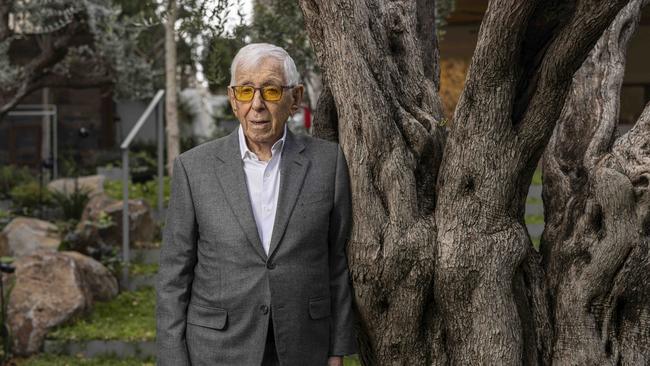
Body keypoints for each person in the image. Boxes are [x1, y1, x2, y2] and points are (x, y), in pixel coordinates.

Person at [156, 43, 357, 366]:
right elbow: (173, 277)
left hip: (303, 346)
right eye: (246, 91)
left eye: (272, 91)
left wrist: (337, 349)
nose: (257, 105)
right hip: (217, 349)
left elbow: (337, 261)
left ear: (296, 98)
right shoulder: (193, 169)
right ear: (234, 100)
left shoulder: (328, 163)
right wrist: (173, 359)